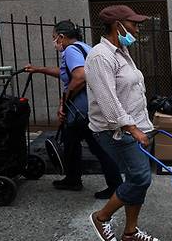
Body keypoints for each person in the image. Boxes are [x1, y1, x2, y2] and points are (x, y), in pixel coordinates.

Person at [86, 5, 159, 241]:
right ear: (117, 25)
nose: (137, 28)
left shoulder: (121, 51)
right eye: (133, 23)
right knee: (140, 178)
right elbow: (108, 101)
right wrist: (132, 128)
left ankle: (130, 232)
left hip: (134, 125)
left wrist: (143, 125)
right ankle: (101, 217)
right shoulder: (100, 56)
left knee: (137, 178)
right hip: (115, 130)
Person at [25, 20, 122, 198]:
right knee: (71, 141)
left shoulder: (70, 50)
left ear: (61, 37)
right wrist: (39, 69)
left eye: (55, 38)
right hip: (90, 107)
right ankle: (73, 178)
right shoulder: (84, 47)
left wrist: (65, 100)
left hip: (81, 110)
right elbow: (67, 72)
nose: (54, 42)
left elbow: (79, 76)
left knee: (95, 146)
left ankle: (114, 186)